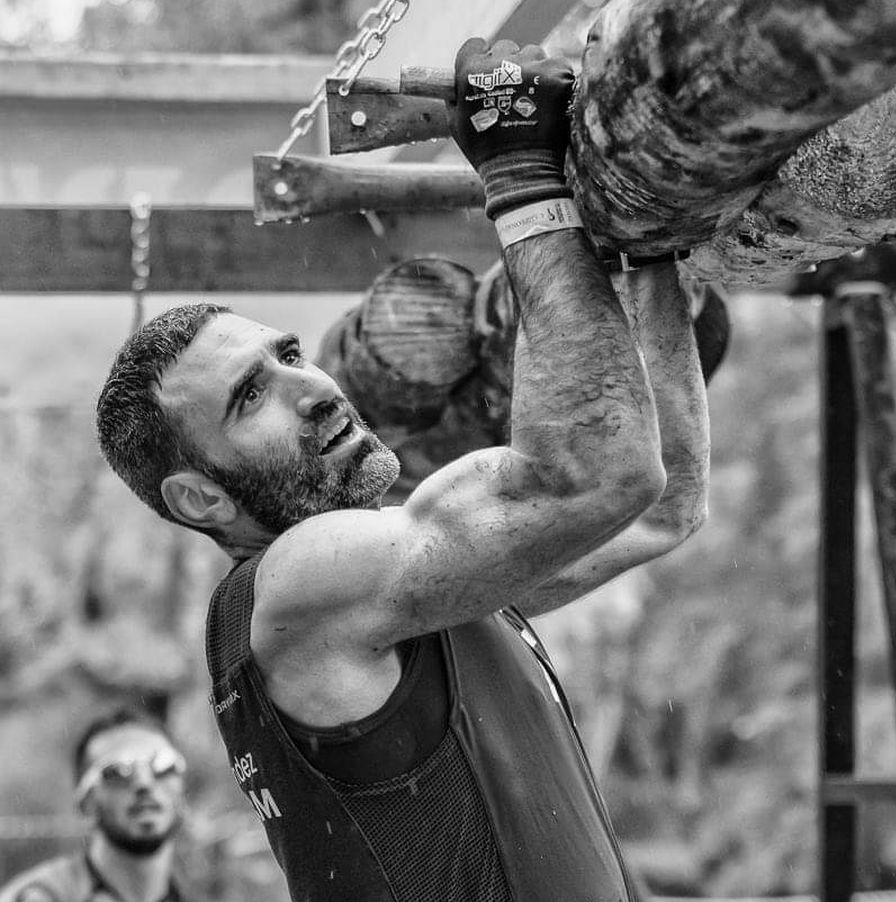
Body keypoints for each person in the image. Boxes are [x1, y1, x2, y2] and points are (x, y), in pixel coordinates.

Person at [95, 37, 710, 902]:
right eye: (249, 398)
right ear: (198, 494)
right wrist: (522, 179)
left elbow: (662, 501)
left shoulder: (404, 592)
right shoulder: (302, 585)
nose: (309, 387)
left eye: (290, 355)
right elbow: (593, 477)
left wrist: (649, 254)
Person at [0, 709, 189, 902]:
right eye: (117, 771)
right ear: (85, 804)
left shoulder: (198, 890)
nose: (144, 783)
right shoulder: (38, 896)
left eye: (164, 766)